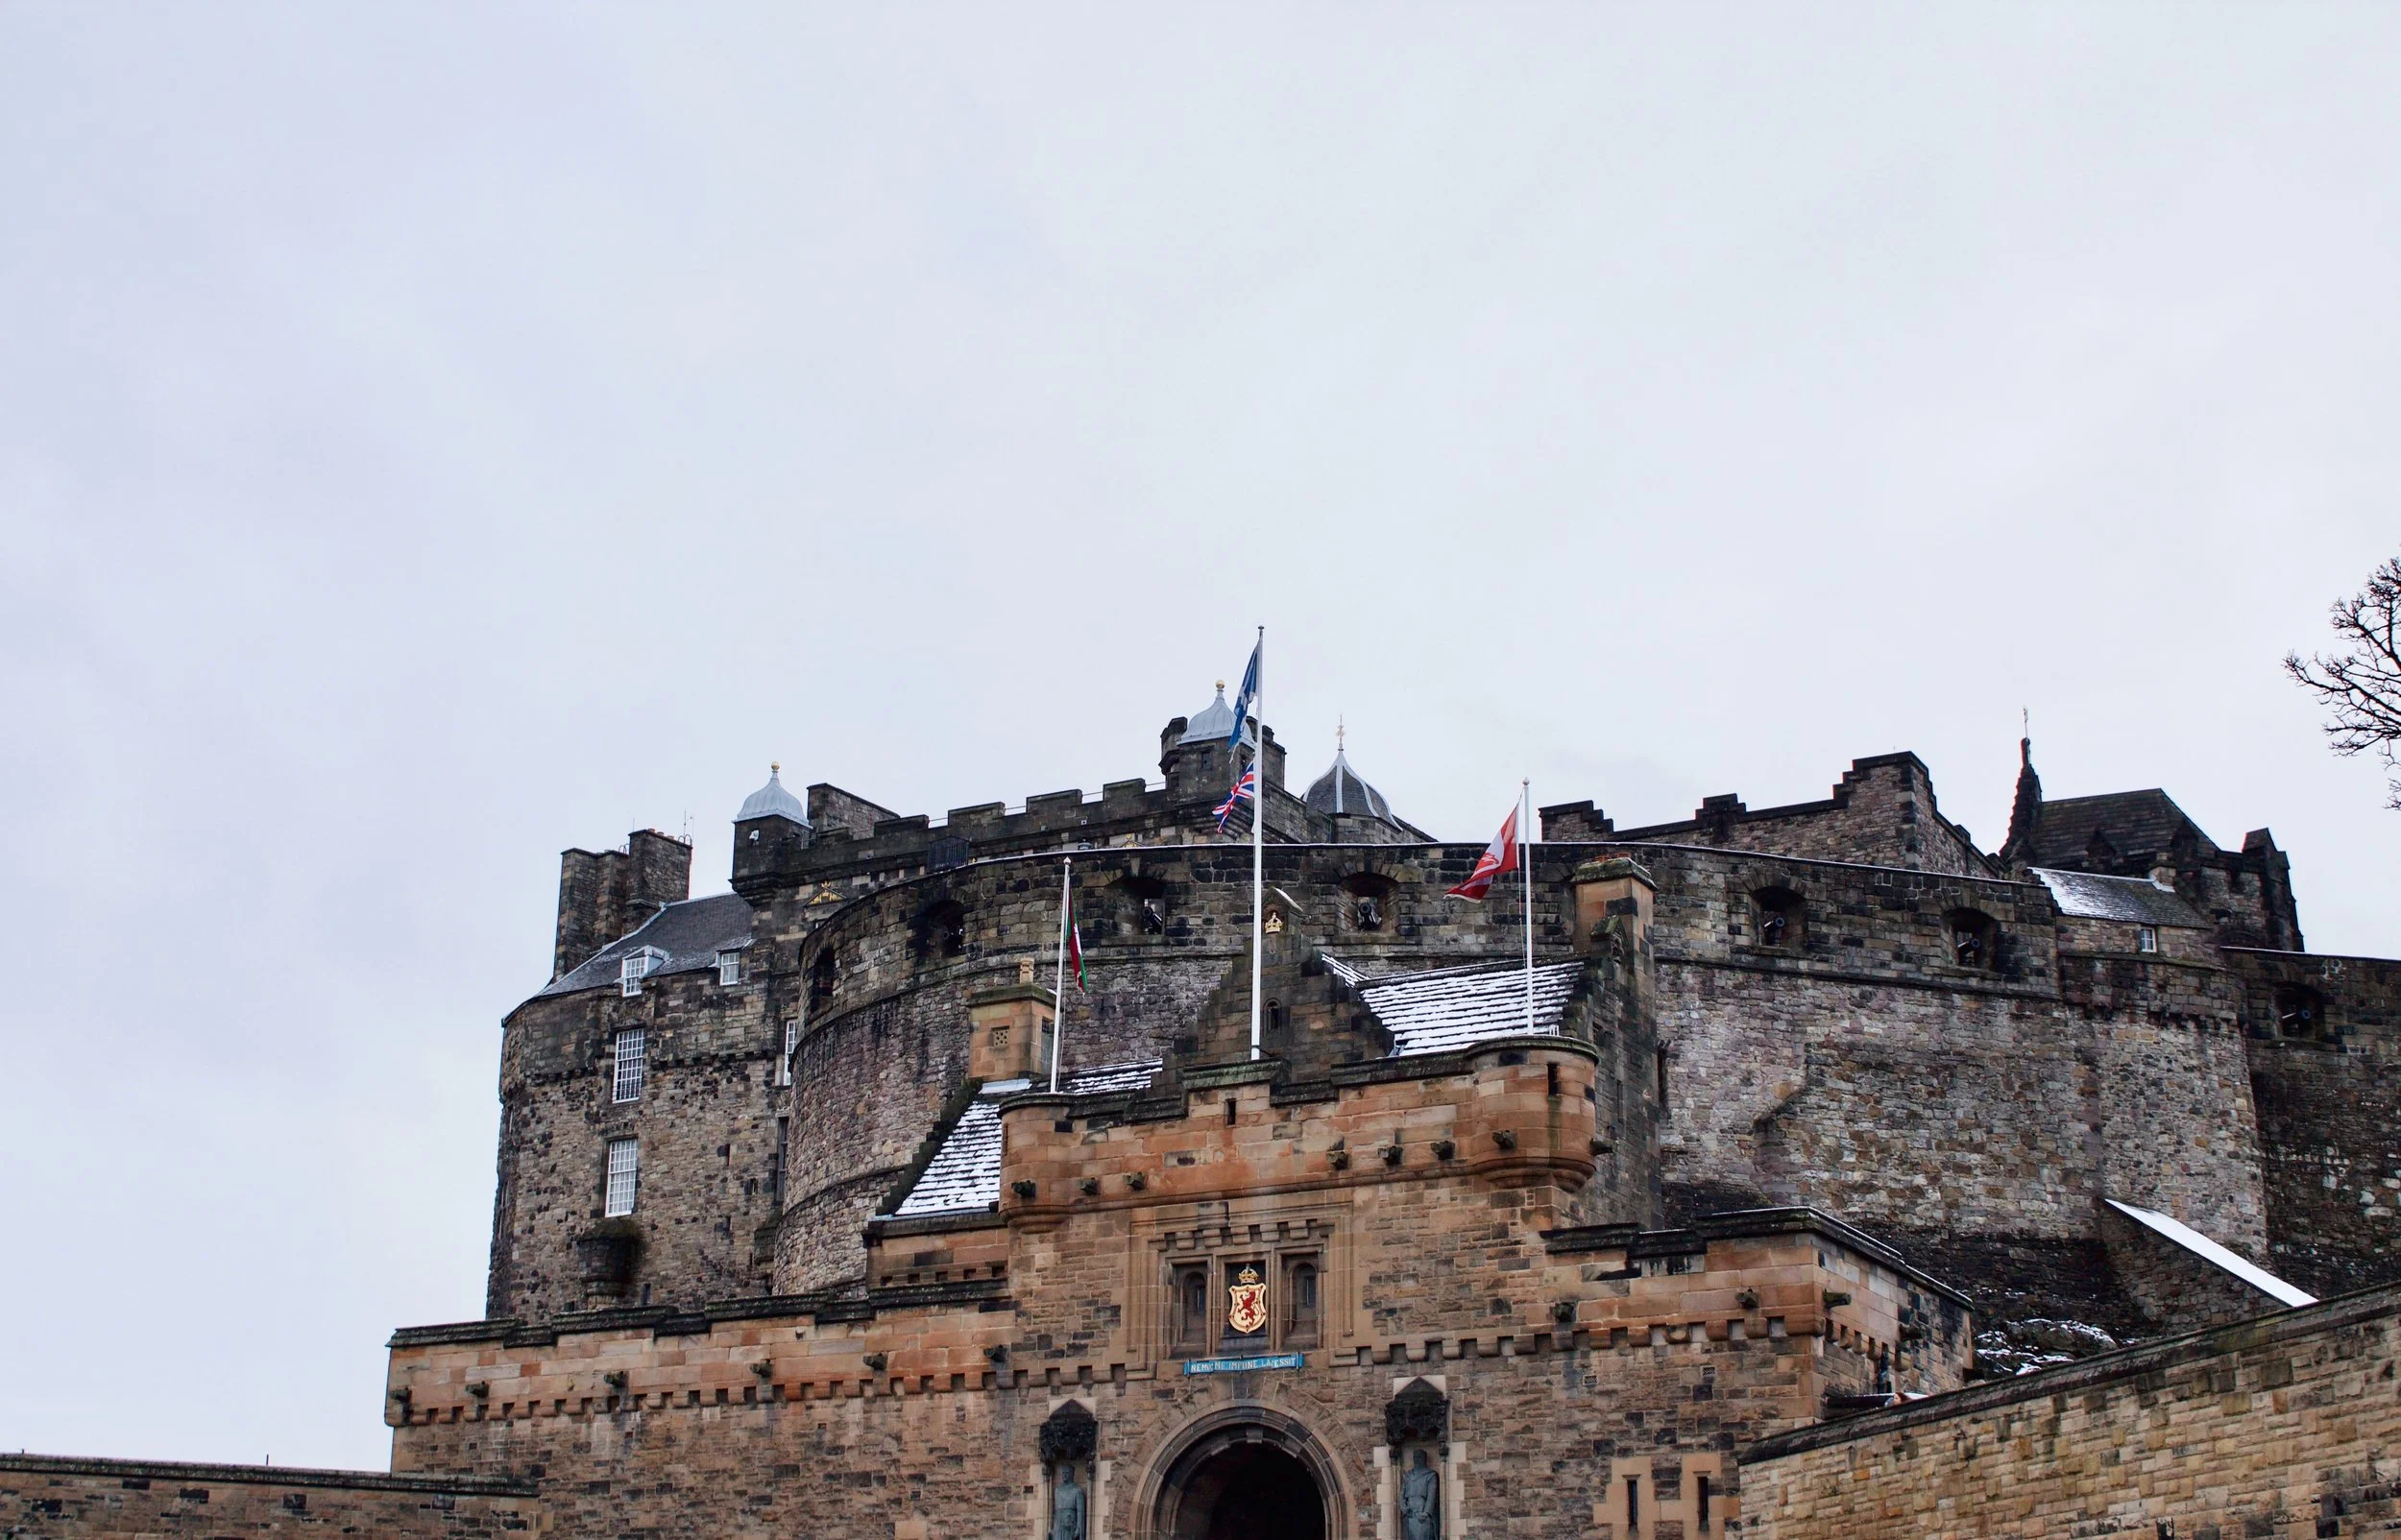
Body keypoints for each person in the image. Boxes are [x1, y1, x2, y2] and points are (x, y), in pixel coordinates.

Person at [1400, 1448, 1440, 1540]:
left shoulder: (1430, 1475)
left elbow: (1431, 1496)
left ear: (1424, 1459)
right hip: (1409, 1514)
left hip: (1422, 1514)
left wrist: (1426, 1512)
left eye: (1419, 1457)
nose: (1416, 1460)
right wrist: (1403, 1507)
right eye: (1415, 1457)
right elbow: (1402, 1493)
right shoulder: (1408, 1476)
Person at [1049, 1465, 1086, 1540]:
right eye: (1063, 1473)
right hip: (1058, 1525)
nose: (1064, 1475)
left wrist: (1079, 1528)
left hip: (1070, 1524)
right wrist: (1052, 1527)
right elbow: (1055, 1511)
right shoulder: (1057, 1490)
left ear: (1072, 1474)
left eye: (1066, 1473)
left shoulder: (1077, 1490)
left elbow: (1080, 1512)